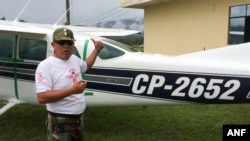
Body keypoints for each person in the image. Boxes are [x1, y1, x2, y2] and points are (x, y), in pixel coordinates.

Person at [35, 27, 103, 141]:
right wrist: (72, 90)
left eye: (69, 43)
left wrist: (96, 50)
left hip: (78, 116)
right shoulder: (45, 66)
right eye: (61, 42)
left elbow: (86, 66)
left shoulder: (74, 59)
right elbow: (42, 97)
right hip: (60, 119)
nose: (66, 46)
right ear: (53, 45)